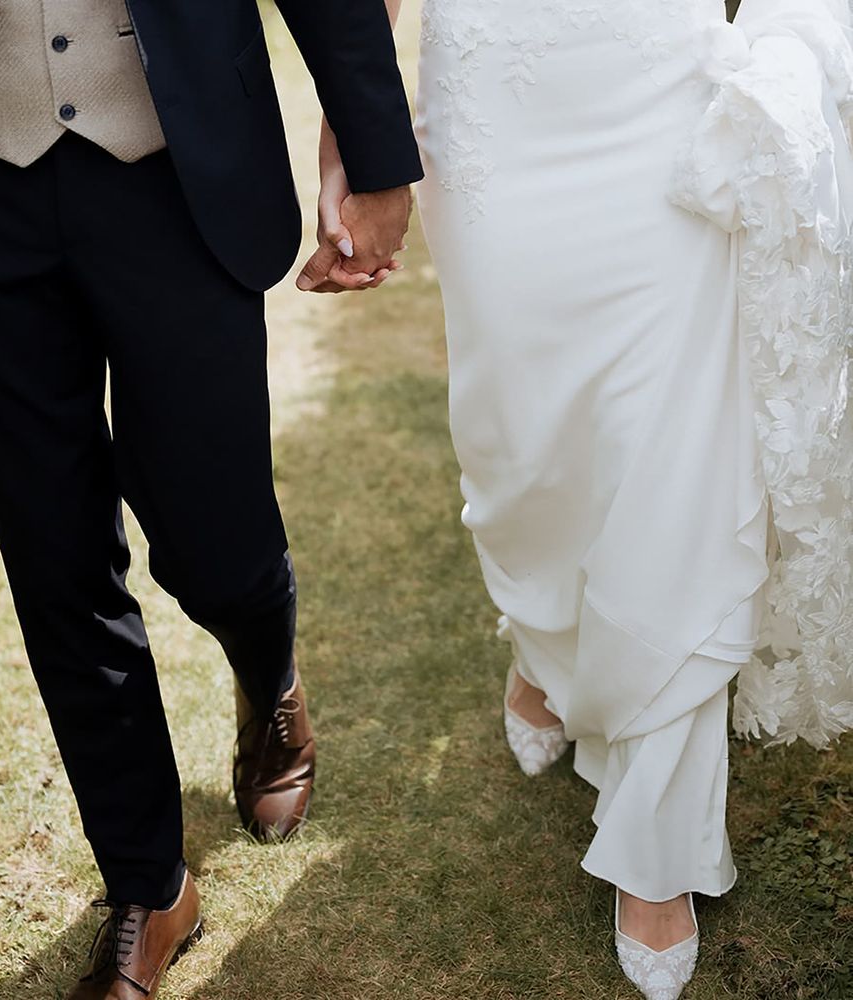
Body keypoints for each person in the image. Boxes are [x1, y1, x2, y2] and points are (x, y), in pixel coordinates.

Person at [317, 0, 853, 997]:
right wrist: (348, 134)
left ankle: (657, 843)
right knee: (532, 457)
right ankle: (544, 648)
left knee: (671, 460)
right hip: (494, 109)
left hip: (663, 100)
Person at [0, 2, 422, 996]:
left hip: (173, 169)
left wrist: (376, 155)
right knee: (54, 560)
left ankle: (269, 684)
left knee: (214, 541)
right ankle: (147, 880)